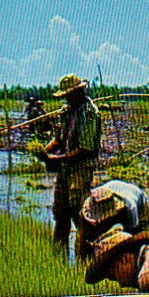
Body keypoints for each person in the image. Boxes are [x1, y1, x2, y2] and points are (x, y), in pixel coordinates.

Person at [37, 74, 103, 257]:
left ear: (79, 92)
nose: (66, 98)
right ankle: (58, 261)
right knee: (60, 213)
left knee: (80, 215)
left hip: (80, 170)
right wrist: (45, 151)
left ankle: (85, 262)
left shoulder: (89, 113)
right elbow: (58, 139)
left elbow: (85, 149)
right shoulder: (67, 111)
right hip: (65, 169)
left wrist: (56, 159)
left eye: (69, 94)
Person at [79, 179, 149, 258]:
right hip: (113, 188)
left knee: (142, 243)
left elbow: (133, 235)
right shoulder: (91, 201)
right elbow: (81, 240)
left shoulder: (130, 207)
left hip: (140, 202)